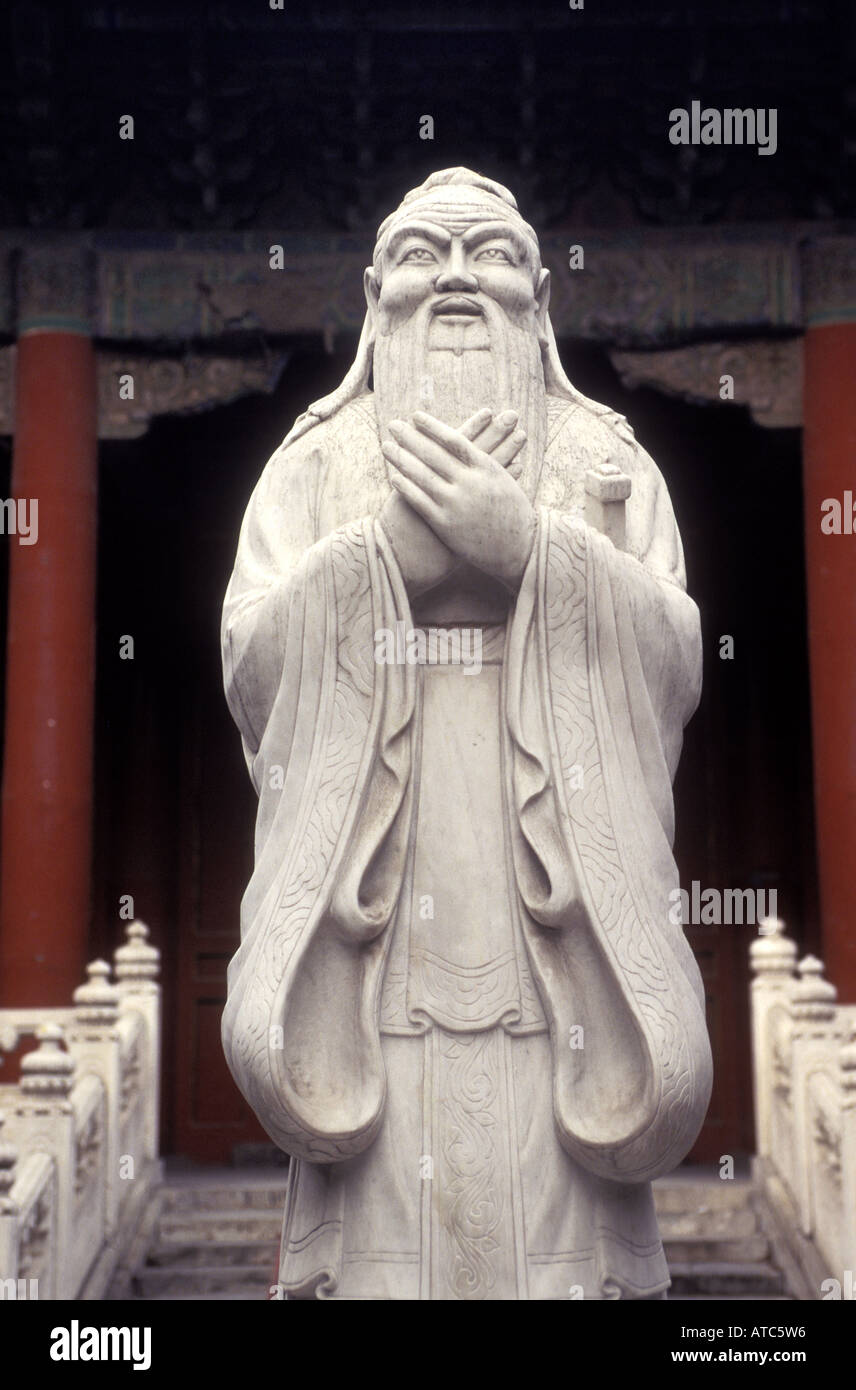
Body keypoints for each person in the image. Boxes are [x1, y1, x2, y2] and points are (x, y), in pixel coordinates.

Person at [221, 168, 712, 1300]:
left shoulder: (606, 463)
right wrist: (383, 558)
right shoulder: (311, 466)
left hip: (566, 963)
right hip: (366, 965)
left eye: (488, 255)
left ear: (539, 299)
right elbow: (252, 666)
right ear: (370, 295)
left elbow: (673, 664)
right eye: (420, 256)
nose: (452, 276)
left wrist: (534, 553)